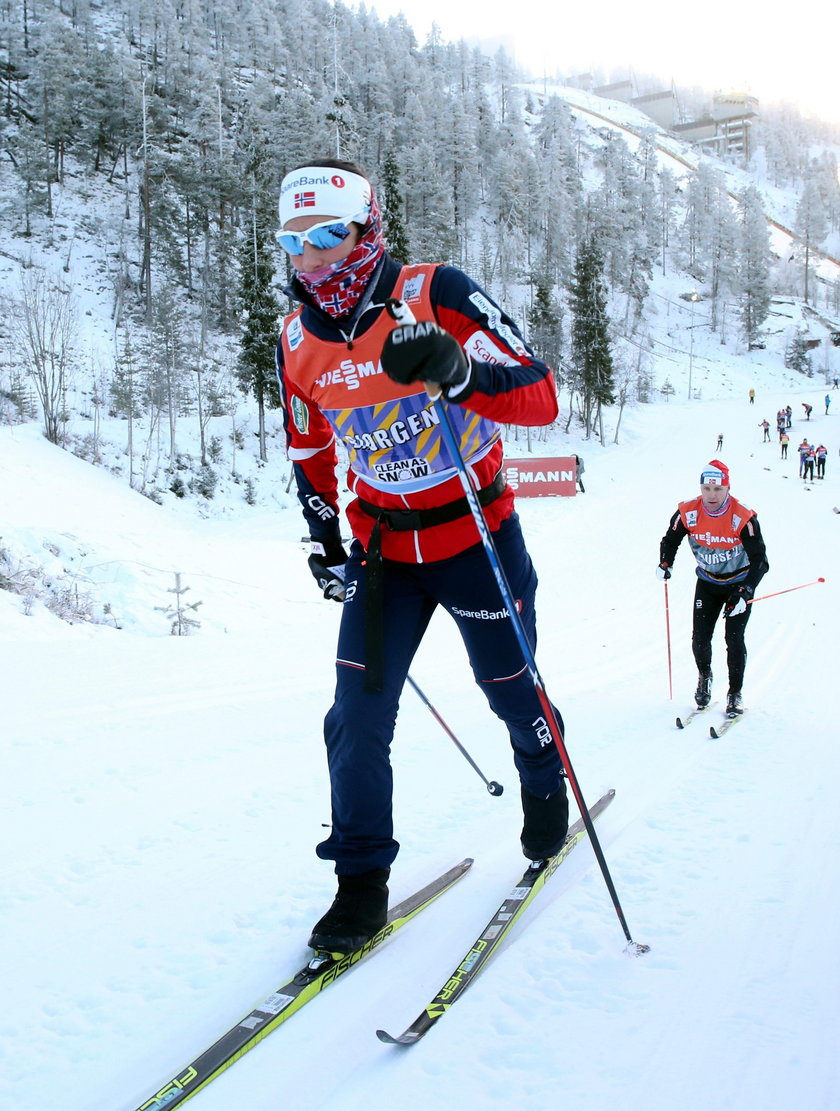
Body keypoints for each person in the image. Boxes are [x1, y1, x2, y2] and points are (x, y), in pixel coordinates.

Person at [274, 159, 568, 954]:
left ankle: (545, 792)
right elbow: (309, 450)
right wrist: (324, 538)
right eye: (295, 243)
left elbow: (540, 392)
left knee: (511, 689)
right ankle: (360, 882)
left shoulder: (436, 292)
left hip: (475, 533)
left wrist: (459, 370)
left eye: (330, 236)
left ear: (368, 229)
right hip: (385, 549)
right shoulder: (297, 340)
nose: (316, 261)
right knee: (356, 717)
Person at [656, 460, 768, 716]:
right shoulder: (688, 511)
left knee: (733, 638)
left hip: (737, 584)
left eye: (718, 489)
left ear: (727, 488)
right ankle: (705, 676)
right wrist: (665, 562)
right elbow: (671, 539)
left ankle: (734, 692)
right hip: (707, 582)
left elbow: (761, 561)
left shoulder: (743, 516)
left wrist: (745, 592)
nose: (711, 495)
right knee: (700, 638)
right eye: (706, 488)